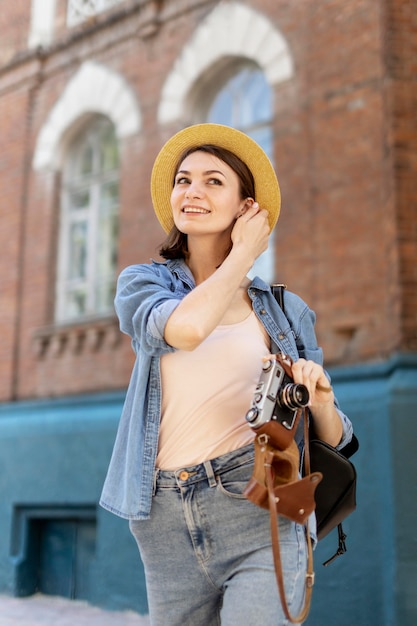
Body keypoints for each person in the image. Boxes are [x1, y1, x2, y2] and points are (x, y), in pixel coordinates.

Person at [100, 124, 353, 625]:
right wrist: (243, 254)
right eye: (183, 180)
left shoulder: (285, 311)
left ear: (246, 207)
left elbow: (339, 440)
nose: (192, 191)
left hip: (261, 501)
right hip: (164, 512)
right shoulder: (145, 283)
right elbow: (187, 329)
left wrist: (320, 400)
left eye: (214, 181)